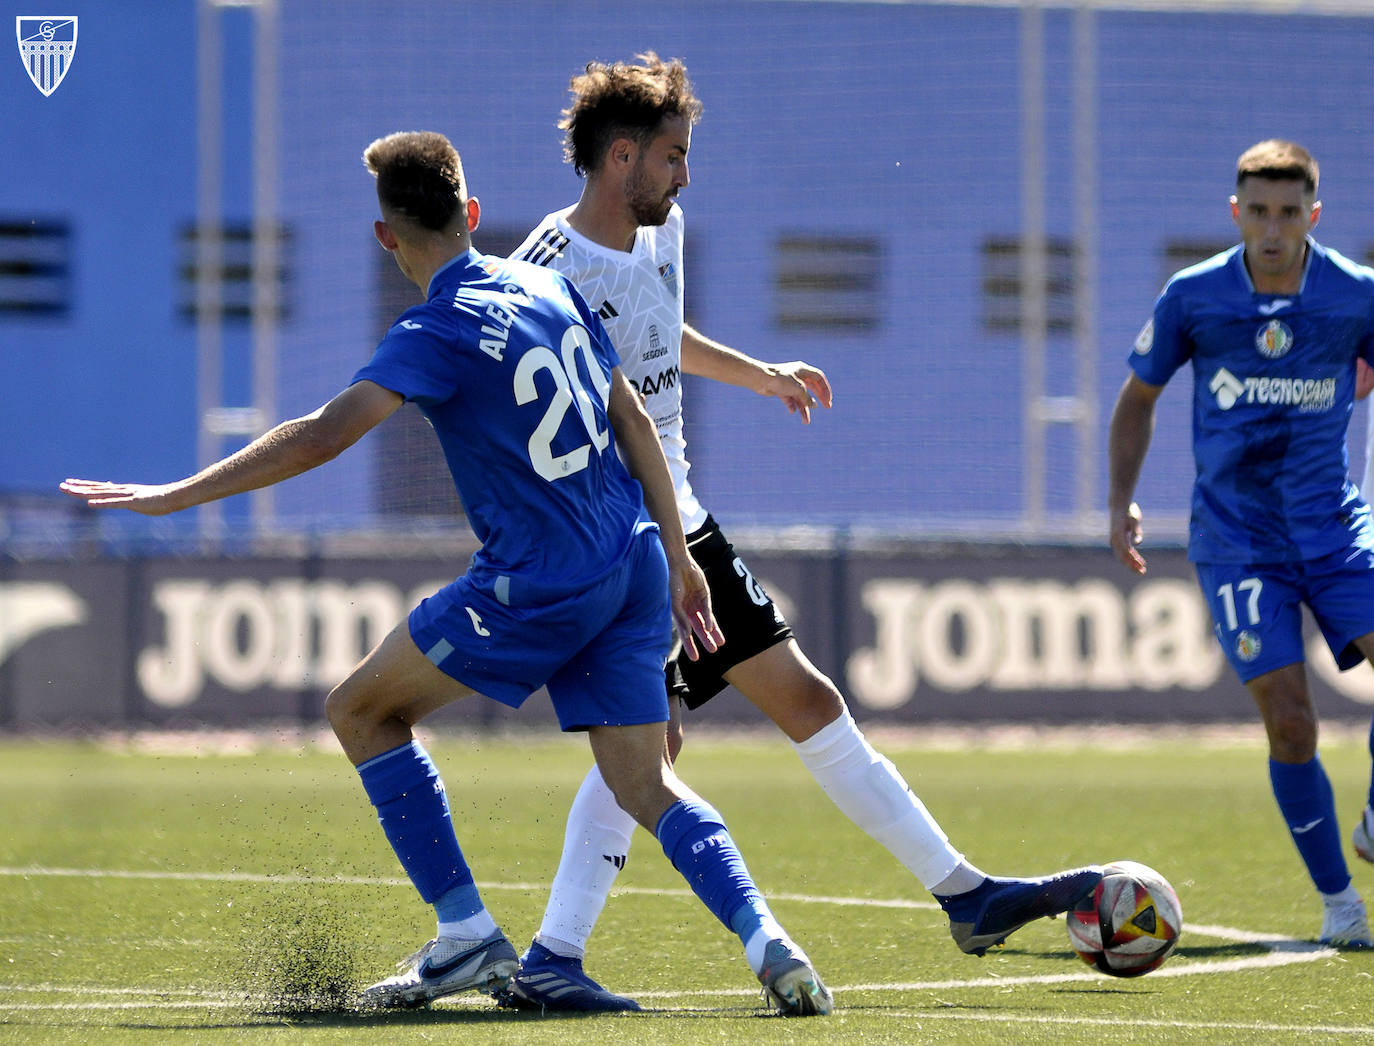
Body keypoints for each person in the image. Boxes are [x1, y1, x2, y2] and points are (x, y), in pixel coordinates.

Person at [60, 130, 837, 1016]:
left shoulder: (434, 328)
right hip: (634, 560)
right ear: (470, 215)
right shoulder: (548, 284)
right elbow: (634, 419)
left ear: (386, 238)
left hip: (543, 579)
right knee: (644, 782)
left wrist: (175, 496)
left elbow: (321, 434)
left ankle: (466, 935)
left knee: (360, 708)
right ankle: (769, 941)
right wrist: (681, 558)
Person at [499, 52, 1103, 1013]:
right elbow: (516, 394)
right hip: (624, 532)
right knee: (672, 740)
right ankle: (554, 957)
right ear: (621, 158)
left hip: (680, 515)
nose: (685, 175)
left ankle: (966, 896)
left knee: (752, 717)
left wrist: (760, 373)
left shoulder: (665, 230)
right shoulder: (544, 268)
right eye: (672, 156)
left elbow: (660, 339)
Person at [1108, 139, 1374, 949]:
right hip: (1237, 542)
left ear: (1313, 217)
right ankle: (1340, 907)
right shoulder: (1195, 297)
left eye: (1288, 212)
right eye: (1257, 210)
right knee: (1292, 726)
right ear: (1235, 212)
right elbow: (1137, 399)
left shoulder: (1357, 296)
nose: (1271, 226)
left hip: (1333, 527)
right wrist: (1120, 503)